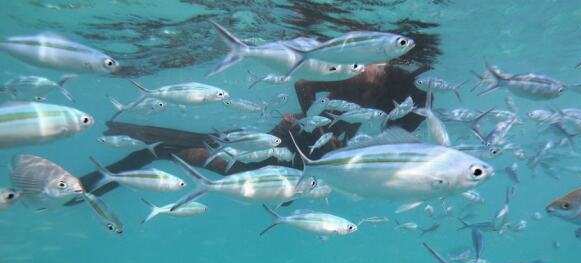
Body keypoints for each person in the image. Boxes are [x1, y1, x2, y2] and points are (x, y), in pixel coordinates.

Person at [69, 64, 430, 204]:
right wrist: (312, 121)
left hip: (315, 153)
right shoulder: (368, 76)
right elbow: (305, 82)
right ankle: (150, 151)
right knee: (234, 169)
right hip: (296, 141)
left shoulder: (389, 93)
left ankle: (149, 152)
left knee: (266, 186)